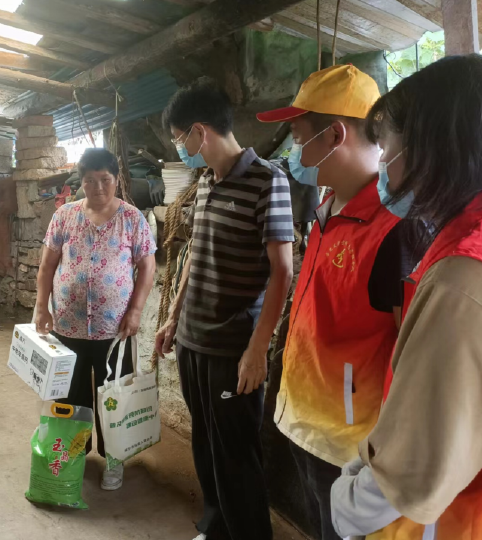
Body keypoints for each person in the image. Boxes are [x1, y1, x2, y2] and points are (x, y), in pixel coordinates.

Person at [255, 64, 416, 540]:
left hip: (349, 448)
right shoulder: (326, 208)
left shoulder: (394, 230)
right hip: (304, 421)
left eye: (298, 138)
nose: (294, 153)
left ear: (335, 135)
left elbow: (412, 359)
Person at [331, 54, 482, 540]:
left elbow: (414, 472)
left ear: (430, 148)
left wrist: (345, 500)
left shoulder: (460, 278)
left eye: (387, 146)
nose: (382, 162)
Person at [154, 78, 295, 540]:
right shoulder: (204, 183)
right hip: (193, 340)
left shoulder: (268, 180)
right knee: (205, 445)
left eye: (180, 139)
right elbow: (195, 255)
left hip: (233, 346)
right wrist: (173, 318)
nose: (180, 149)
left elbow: (282, 272)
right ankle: (216, 529)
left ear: (200, 131)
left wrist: (257, 350)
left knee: (236, 454)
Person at [34, 148, 156, 491]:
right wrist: (41, 306)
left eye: (105, 179)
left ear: (116, 180)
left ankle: (114, 458)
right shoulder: (64, 215)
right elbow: (47, 265)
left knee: (112, 396)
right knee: (70, 396)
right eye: (90, 180)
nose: (98, 187)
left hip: (114, 330)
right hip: (67, 326)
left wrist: (135, 311)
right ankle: (74, 452)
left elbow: (147, 268)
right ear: (81, 182)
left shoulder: (132, 218)